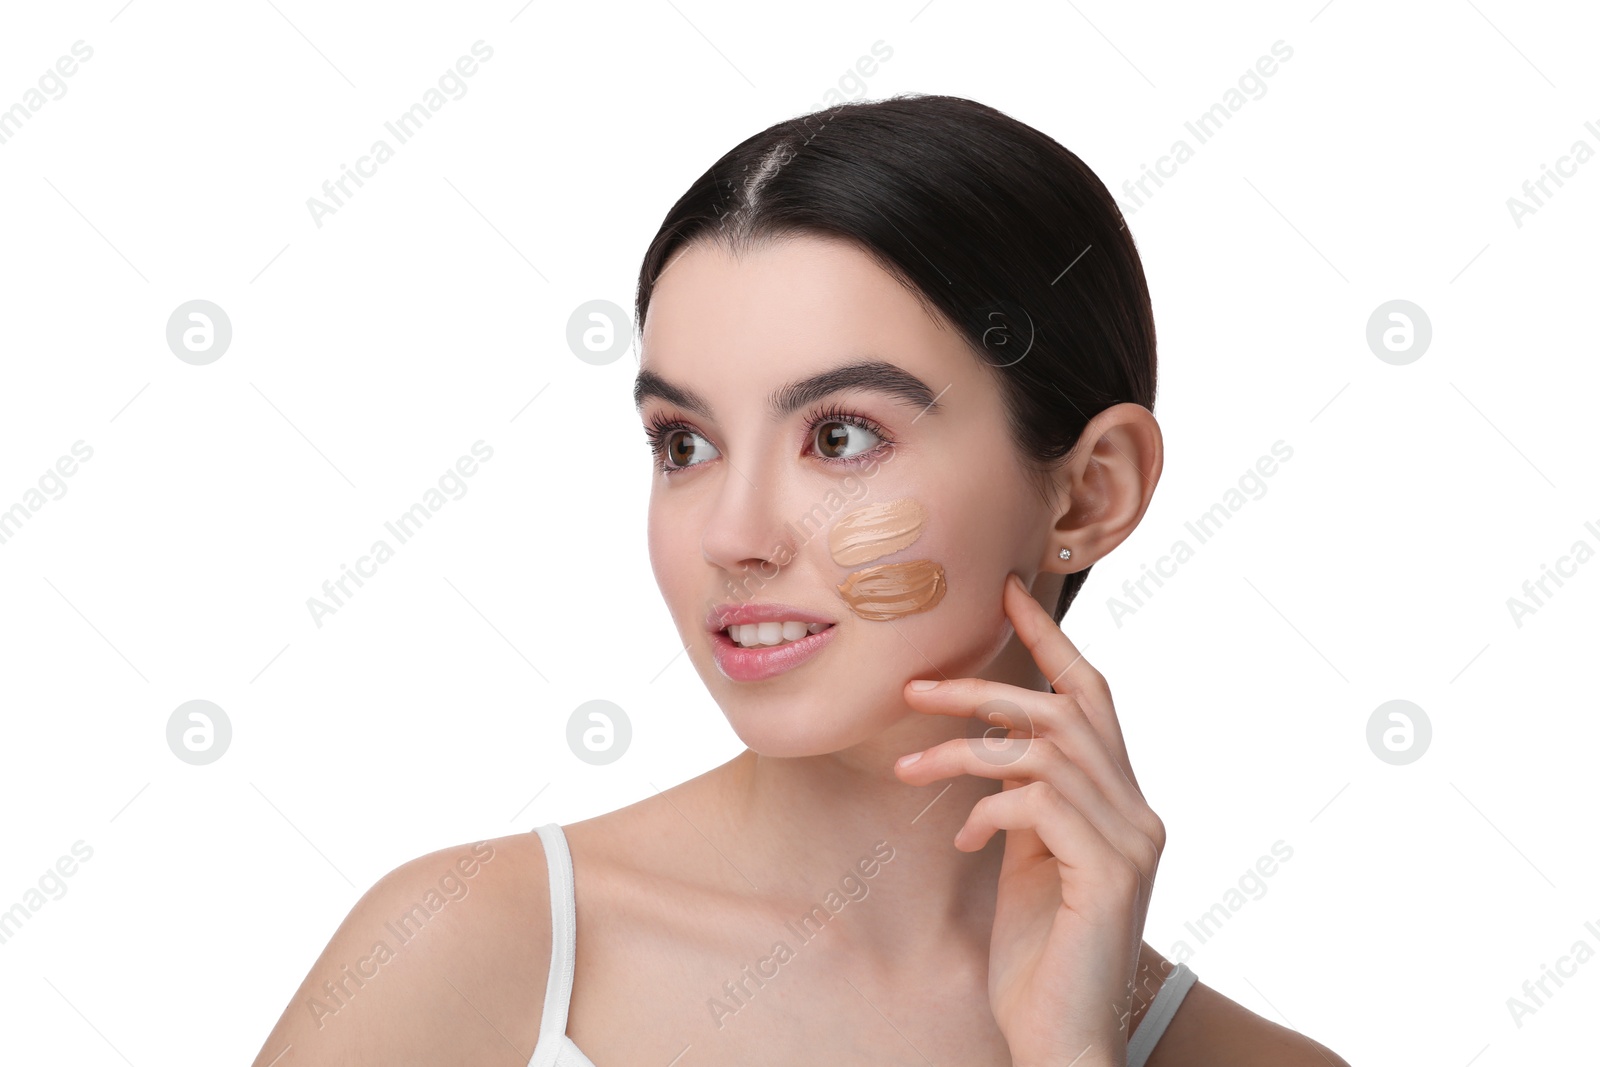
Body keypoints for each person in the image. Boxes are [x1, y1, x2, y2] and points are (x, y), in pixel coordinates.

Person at [252, 93, 1349, 1066]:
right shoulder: (475, 950)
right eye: (683, 442)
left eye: (840, 435)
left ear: (1088, 493)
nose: (733, 534)